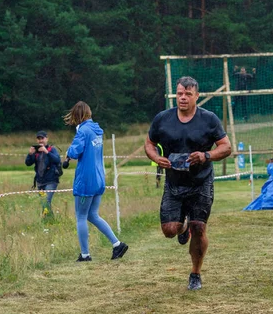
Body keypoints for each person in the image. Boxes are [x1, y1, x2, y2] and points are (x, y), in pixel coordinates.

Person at [145, 76, 231, 290]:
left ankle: (195, 274)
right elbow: (149, 143)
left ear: (196, 96)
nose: (182, 98)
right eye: (179, 94)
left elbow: (226, 147)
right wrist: (156, 158)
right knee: (169, 230)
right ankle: (183, 228)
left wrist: (206, 156)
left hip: (201, 182)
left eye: (187, 94)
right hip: (174, 183)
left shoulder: (209, 119)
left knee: (199, 227)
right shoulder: (162, 119)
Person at [64, 101, 129, 262]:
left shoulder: (83, 131)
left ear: (77, 116)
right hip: (99, 178)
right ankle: (117, 244)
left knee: (80, 216)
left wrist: (68, 151)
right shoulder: (96, 131)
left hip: (86, 180)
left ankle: (85, 254)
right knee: (92, 215)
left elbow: (75, 151)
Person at [25, 131, 61, 218]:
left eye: (42, 138)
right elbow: (28, 163)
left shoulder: (52, 149)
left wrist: (46, 152)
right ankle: (51, 220)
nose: (41, 141)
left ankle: (47, 220)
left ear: (46, 139)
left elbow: (57, 160)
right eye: (39, 139)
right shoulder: (36, 151)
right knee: (44, 203)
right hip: (40, 181)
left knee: (46, 200)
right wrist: (30, 154)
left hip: (51, 180)